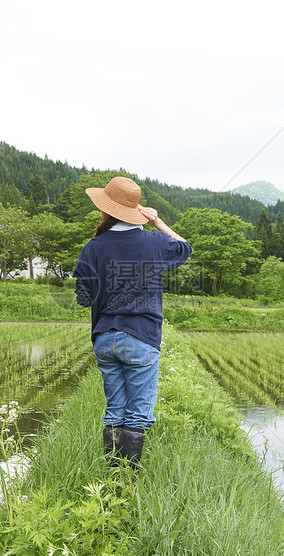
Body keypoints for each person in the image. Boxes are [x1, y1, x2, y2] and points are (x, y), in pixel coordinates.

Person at [74, 176, 191, 469]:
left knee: (115, 410)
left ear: (106, 210)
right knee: (137, 414)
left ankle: (113, 475)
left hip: (104, 338)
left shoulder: (93, 246)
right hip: (141, 337)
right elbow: (184, 248)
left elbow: (84, 298)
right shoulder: (154, 242)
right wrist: (157, 222)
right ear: (135, 211)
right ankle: (127, 482)